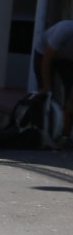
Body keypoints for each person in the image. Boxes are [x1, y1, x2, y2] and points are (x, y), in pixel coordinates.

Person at [36, 18, 73, 147]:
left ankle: (65, 136)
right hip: (44, 53)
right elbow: (46, 61)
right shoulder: (65, 30)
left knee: (70, 101)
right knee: (46, 94)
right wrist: (47, 87)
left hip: (67, 60)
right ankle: (39, 132)